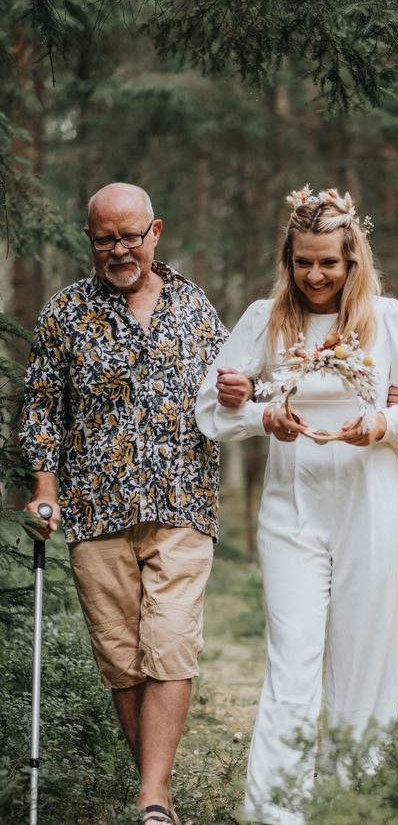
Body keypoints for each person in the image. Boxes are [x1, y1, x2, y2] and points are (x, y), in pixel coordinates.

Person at [195, 186, 398, 825]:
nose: (316, 275)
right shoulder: (262, 319)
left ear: (352, 259)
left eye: (329, 262)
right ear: (288, 259)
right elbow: (211, 412)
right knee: (293, 657)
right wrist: (257, 414)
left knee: (366, 662)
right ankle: (278, 813)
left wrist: (380, 424)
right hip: (292, 505)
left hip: (369, 503)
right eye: (303, 262)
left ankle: (354, 806)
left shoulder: (385, 318)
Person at [20, 183, 228, 825]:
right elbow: (41, 411)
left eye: (130, 236)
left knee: (170, 643)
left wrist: (245, 390)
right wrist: (45, 490)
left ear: (155, 232)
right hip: (95, 512)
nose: (119, 250)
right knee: (121, 657)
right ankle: (155, 788)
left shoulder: (195, 308)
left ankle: (153, 799)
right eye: (105, 238)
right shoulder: (65, 315)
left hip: (183, 504)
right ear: (90, 240)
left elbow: (231, 390)